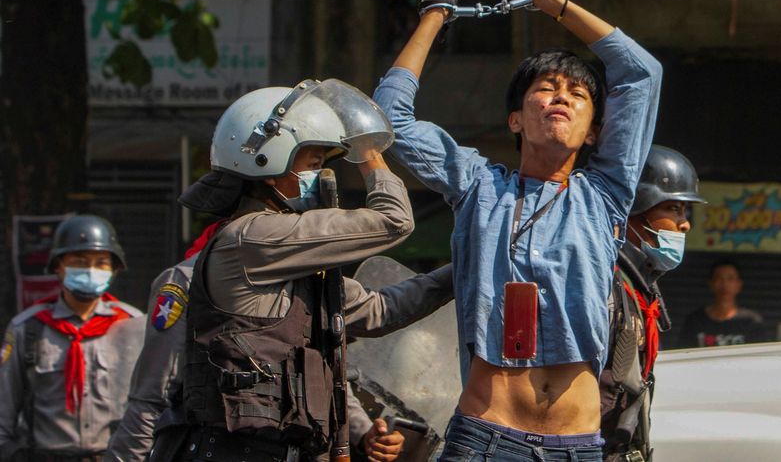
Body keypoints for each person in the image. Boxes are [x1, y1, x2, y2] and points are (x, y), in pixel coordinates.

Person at [373, 0, 662, 461]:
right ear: (516, 118)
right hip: (486, 439)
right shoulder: (477, 185)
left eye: (577, 95)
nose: (562, 99)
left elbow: (641, 72)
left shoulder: (605, 195)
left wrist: (554, 4)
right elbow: (390, 116)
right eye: (546, 89)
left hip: (579, 447)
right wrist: (436, 16)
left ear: (595, 131)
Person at [173, 79, 454, 462]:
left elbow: (379, 311)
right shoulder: (254, 237)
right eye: (315, 163)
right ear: (269, 165)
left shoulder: (294, 257)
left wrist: (464, 267)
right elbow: (393, 220)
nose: (324, 178)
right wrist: (370, 153)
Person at [105, 217, 417, 462]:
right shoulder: (188, 280)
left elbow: (322, 376)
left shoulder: (308, 283)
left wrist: (364, 434)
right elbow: (150, 399)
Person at [0, 215, 143, 461]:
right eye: (79, 261)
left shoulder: (134, 325)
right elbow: (3, 410)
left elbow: (152, 402)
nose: (91, 270)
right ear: (58, 266)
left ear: (114, 270)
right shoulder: (28, 328)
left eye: (101, 263)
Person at [600, 145, 705, 462]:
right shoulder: (604, 287)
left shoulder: (641, 288)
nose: (685, 223)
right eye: (673, 209)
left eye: (685, 212)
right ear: (634, 211)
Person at [677, 260, 766, 348]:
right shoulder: (694, 321)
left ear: (739, 284)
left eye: (730, 278)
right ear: (711, 283)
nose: (725, 284)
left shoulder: (752, 321)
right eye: (719, 278)